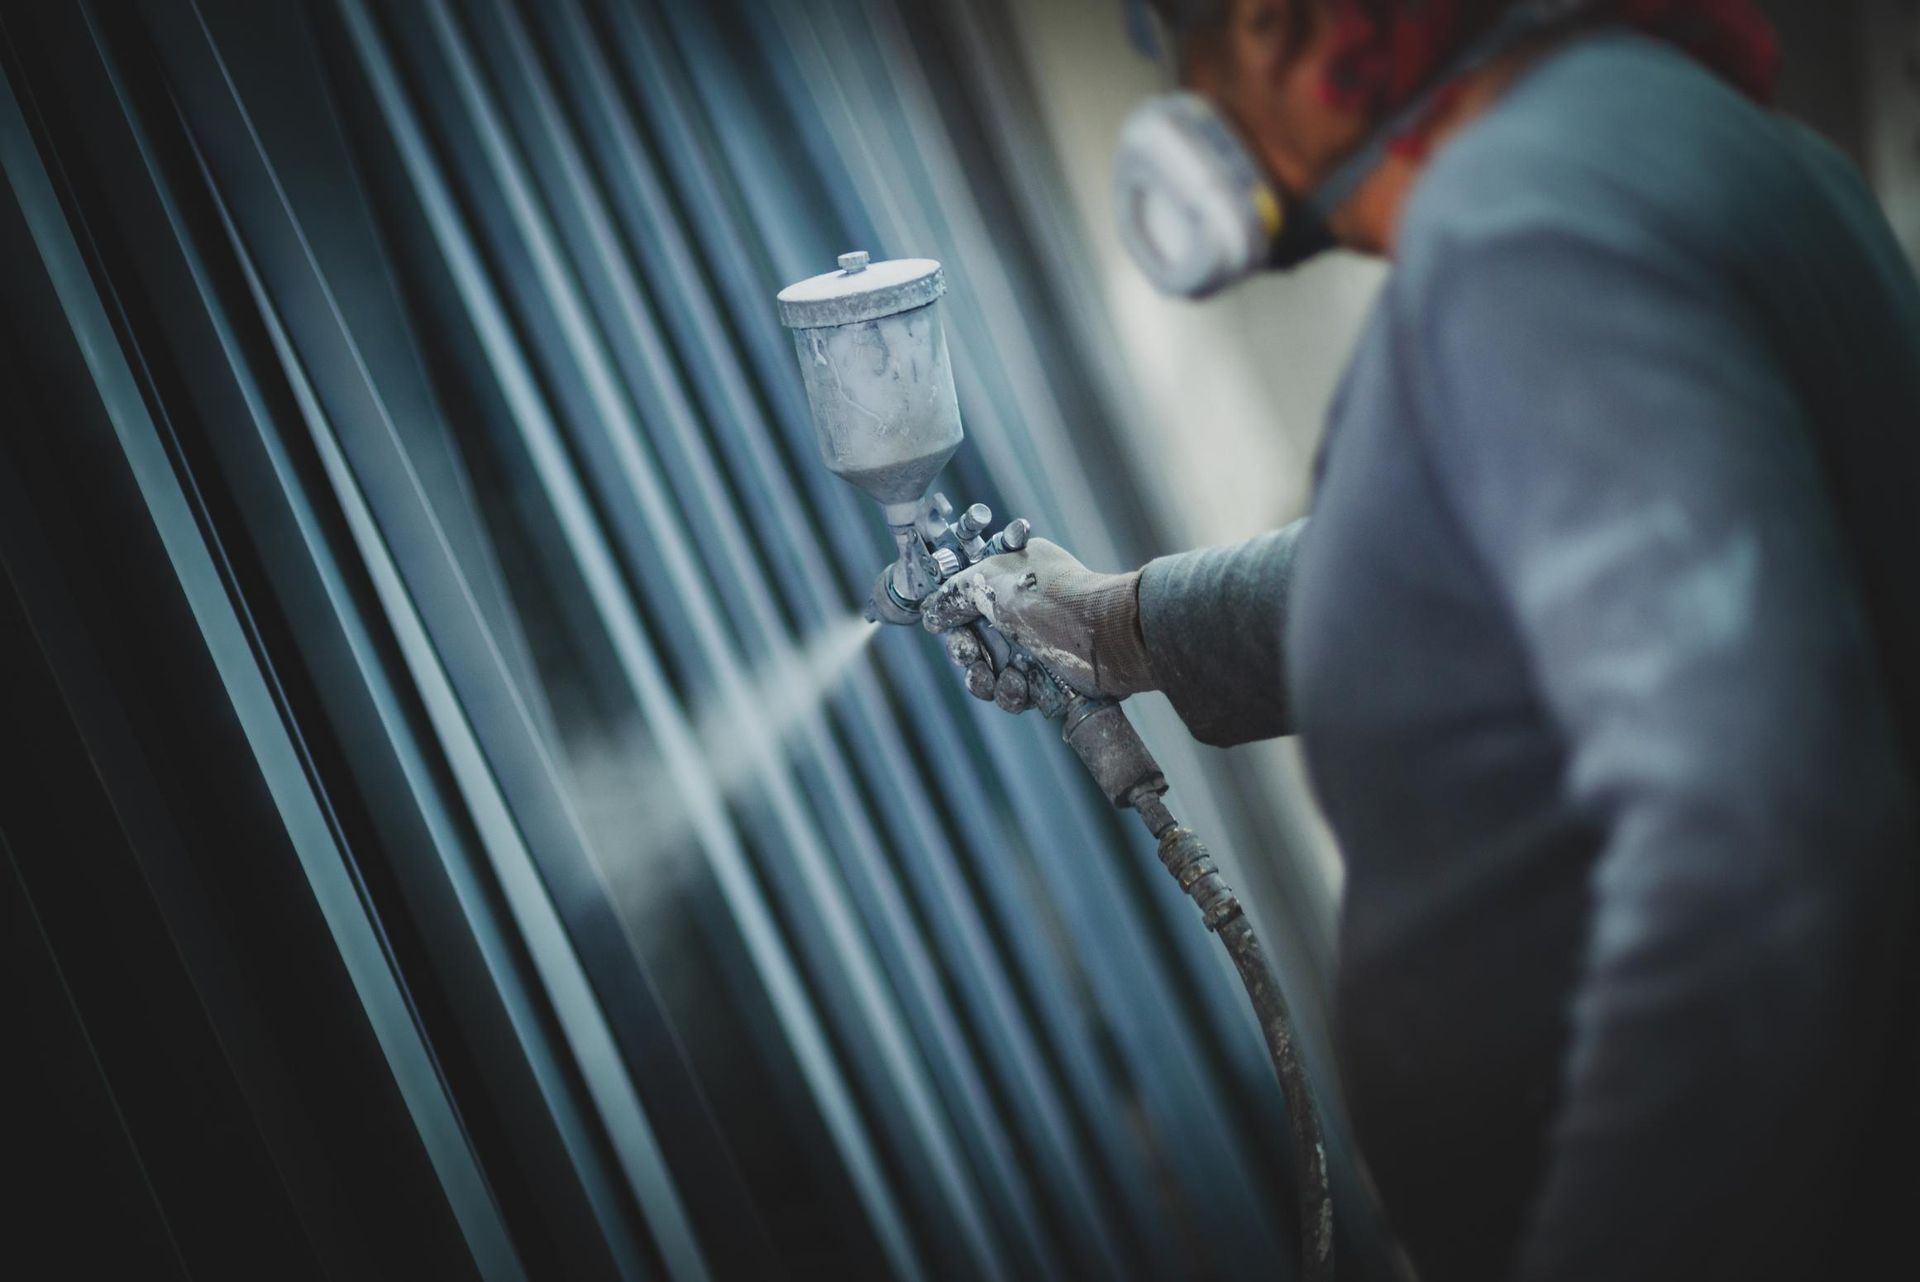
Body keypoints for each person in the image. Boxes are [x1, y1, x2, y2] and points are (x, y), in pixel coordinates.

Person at [920, 1, 1920, 1278]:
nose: (1190, 101)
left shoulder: (1524, 233)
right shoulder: (1669, 146)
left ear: (1284, 32)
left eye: (1186, 49)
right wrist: (1118, 626)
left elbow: (1752, 858)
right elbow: (1484, 557)